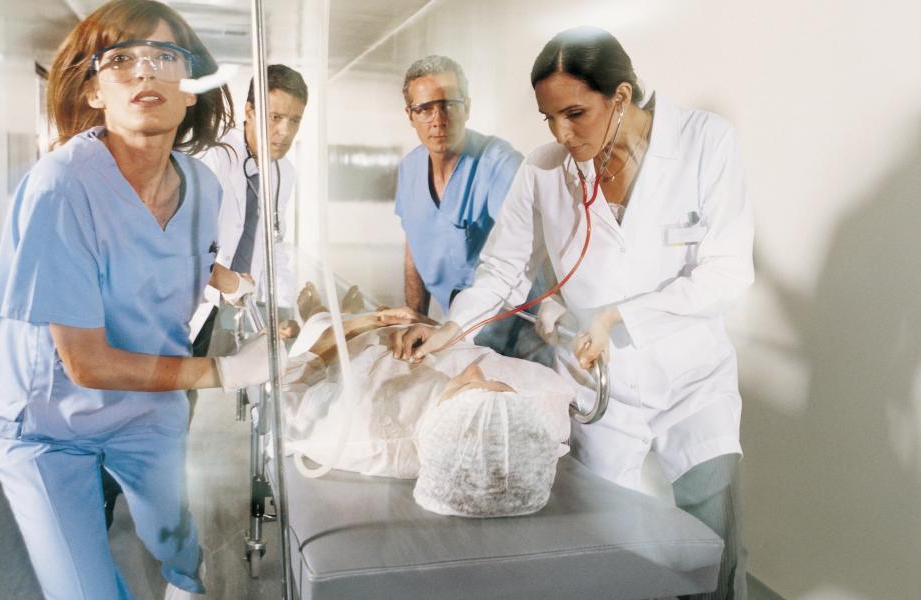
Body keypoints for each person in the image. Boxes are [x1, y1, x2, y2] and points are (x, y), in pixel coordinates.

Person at [390, 27, 753, 599]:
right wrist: (451, 329)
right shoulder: (545, 170)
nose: (562, 133)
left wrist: (618, 316)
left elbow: (727, 275)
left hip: (692, 385)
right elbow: (503, 270)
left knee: (713, 549)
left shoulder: (705, 142)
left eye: (576, 114)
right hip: (599, 388)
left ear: (621, 96)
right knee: (605, 548)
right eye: (549, 118)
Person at [0, 1, 267, 598]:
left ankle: (184, 581)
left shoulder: (203, 185)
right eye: (120, 60)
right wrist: (225, 371)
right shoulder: (61, 187)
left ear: (190, 89)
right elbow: (85, 363)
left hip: (147, 402)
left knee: (174, 534)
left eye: (165, 56)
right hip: (47, 421)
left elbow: (175, 254)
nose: (145, 71)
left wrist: (234, 284)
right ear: (93, 91)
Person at [280, 286, 573, 517]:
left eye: (470, 386)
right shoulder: (534, 409)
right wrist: (438, 328)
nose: (473, 371)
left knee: (320, 320)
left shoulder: (360, 433)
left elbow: (289, 383)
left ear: (452, 430)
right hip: (418, 329)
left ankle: (318, 311)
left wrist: (362, 323)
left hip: (341, 343)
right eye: (495, 384)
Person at [394, 55, 547, 362]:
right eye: (425, 109)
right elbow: (415, 248)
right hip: (458, 328)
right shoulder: (410, 169)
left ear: (467, 107)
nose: (438, 119)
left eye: (449, 104)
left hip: (520, 330)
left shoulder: (499, 164)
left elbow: (520, 254)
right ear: (410, 115)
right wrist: (415, 318)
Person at [188, 64, 308, 356]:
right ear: (250, 111)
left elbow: (274, 245)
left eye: (294, 120)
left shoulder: (283, 172)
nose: (285, 131)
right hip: (197, 303)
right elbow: (186, 246)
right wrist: (228, 283)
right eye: (275, 117)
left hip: (240, 307)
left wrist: (282, 307)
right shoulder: (215, 158)